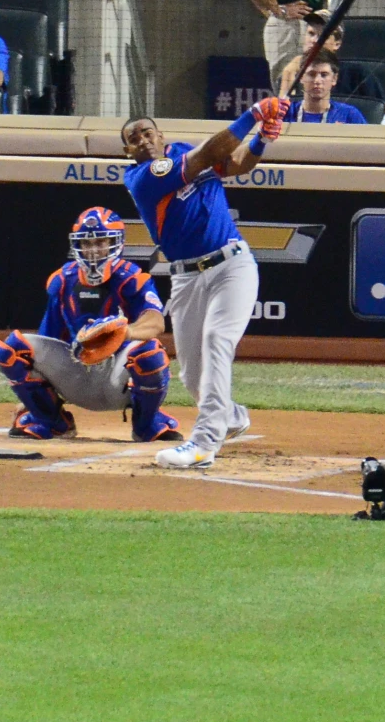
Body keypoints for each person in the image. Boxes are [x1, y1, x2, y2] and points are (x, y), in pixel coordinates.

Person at [119, 104, 279, 469]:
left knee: (217, 341)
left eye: (147, 133)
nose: (143, 141)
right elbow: (208, 154)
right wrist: (254, 114)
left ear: (161, 135)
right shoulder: (144, 177)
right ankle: (232, 416)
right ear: (128, 152)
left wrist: (262, 140)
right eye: (133, 139)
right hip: (186, 277)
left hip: (232, 265)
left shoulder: (180, 150)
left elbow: (235, 163)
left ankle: (204, 444)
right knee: (192, 374)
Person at [0, 206, 176, 443]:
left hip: (116, 375)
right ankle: (50, 420)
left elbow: (156, 322)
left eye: (101, 242)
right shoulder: (61, 280)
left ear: (116, 242)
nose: (93, 250)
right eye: (87, 244)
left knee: (150, 353)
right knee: (11, 349)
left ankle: (147, 424)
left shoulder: (131, 278)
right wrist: (30, 399)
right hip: (76, 370)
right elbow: (49, 337)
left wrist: (123, 333)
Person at [284, 56, 365, 124]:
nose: (317, 81)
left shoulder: (349, 115)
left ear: (334, 79)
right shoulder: (284, 113)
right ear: (301, 77)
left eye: (324, 75)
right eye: (311, 74)